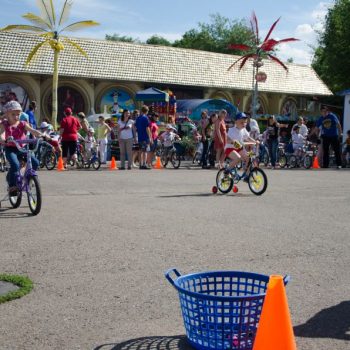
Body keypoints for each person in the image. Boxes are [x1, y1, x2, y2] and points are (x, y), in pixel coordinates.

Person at [0, 100, 46, 195]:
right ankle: (12, 185)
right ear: (7, 114)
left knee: (35, 162)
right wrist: (4, 140)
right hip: (11, 148)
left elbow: (33, 130)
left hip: (22, 148)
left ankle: (27, 178)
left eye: (18, 114)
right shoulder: (5, 124)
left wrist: (42, 135)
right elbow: (2, 134)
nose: (16, 117)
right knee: (15, 164)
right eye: (13, 114)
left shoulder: (22, 124)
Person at [224, 112, 258, 178]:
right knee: (238, 158)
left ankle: (247, 175)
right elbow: (227, 139)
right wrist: (233, 142)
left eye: (245, 122)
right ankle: (227, 170)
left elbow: (248, 138)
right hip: (229, 148)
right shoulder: (231, 130)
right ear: (236, 122)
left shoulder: (244, 130)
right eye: (241, 122)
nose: (244, 124)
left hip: (239, 148)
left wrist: (255, 141)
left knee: (249, 158)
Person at [135, 105, 152, 169]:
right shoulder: (145, 118)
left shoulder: (138, 118)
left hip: (140, 136)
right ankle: (144, 164)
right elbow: (147, 128)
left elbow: (136, 127)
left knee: (140, 151)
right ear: (146, 111)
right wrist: (150, 137)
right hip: (145, 137)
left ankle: (140, 164)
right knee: (145, 151)